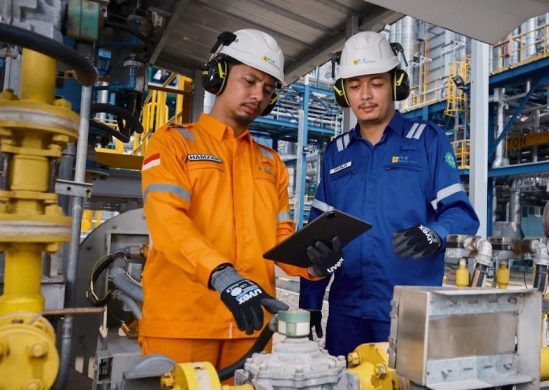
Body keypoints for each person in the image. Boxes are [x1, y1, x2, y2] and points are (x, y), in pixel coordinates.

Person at [139, 28, 335, 370]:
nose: (258, 95)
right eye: (250, 81)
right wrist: (219, 274)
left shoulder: (271, 163)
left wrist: (313, 265)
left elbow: (280, 239)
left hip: (250, 325)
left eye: (268, 89)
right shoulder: (173, 143)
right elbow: (167, 221)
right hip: (182, 324)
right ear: (218, 75)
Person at [299, 31, 480, 357]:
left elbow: (461, 214)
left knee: (404, 384)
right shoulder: (337, 153)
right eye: (355, 86)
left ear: (396, 84)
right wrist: (310, 301)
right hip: (347, 312)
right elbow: (317, 236)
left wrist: (435, 233)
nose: (365, 95)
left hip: (409, 310)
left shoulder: (427, 141)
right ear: (343, 92)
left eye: (376, 83)